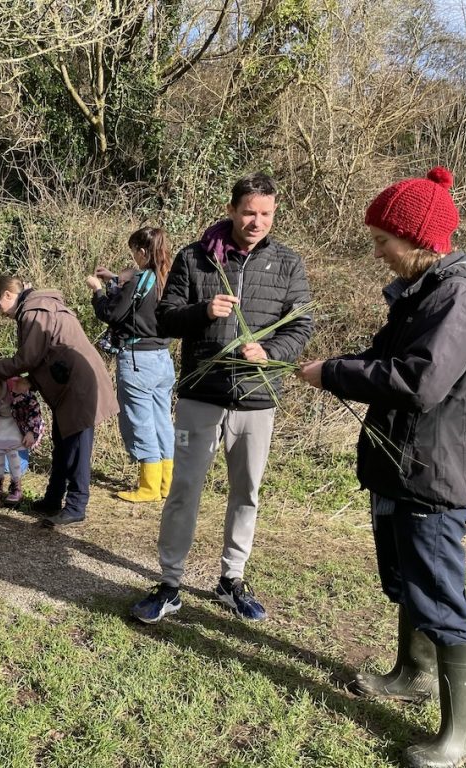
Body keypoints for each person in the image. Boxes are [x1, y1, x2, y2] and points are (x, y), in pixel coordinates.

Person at [296, 167, 466, 768]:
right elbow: (387, 359)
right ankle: (413, 673)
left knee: (437, 592)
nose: (378, 250)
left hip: (434, 473)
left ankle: (465, 734)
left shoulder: (458, 298)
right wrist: (335, 363)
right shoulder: (423, 293)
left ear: (419, 239)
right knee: (406, 580)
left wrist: (335, 374)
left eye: (384, 239)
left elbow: (419, 381)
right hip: (403, 466)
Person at [130, 172, 313, 624]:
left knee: (246, 493)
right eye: (249, 212)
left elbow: (302, 324)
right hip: (201, 396)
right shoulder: (196, 259)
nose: (257, 221)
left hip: (257, 399)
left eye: (266, 213)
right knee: (183, 491)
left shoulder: (288, 264)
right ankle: (170, 583)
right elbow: (166, 320)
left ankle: (232, 579)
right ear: (232, 209)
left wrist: (270, 351)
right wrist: (202, 312)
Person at [0, 276, 119, 526]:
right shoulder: (37, 308)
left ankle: (76, 505)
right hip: (68, 384)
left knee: (77, 449)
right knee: (62, 445)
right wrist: (32, 382)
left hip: (79, 386)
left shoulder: (34, 312)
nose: (0, 313)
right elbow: (47, 355)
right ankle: (52, 499)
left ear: (8, 295)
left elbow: (27, 359)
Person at [88, 226, 175, 502]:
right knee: (162, 419)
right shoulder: (167, 278)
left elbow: (112, 313)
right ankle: (167, 483)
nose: (133, 258)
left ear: (141, 251)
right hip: (163, 359)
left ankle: (148, 486)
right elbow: (141, 301)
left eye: (134, 252)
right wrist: (116, 278)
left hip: (138, 361)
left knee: (140, 421)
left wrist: (98, 291)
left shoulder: (140, 281)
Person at [0, 370, 44, 506]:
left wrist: (31, 432)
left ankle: (16, 488)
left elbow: (33, 410)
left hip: (20, 427)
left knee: (14, 457)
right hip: (0, 428)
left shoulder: (17, 386)